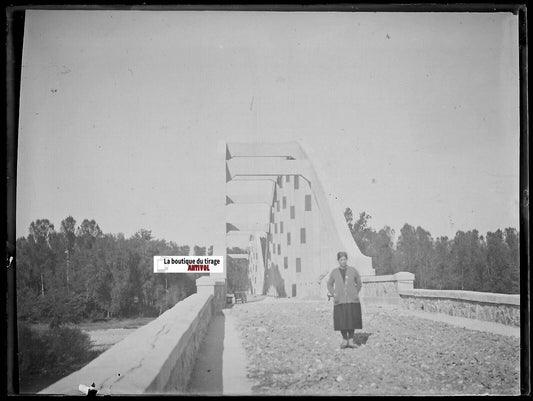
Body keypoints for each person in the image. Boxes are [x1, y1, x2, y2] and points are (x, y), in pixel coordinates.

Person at [327, 251, 363, 349]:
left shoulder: (353, 270)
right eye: (341, 259)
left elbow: (359, 283)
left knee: (352, 320)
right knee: (341, 321)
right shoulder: (334, 272)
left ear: (347, 259)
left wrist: (355, 293)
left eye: (344, 259)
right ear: (338, 260)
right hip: (340, 300)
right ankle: (344, 340)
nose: (343, 261)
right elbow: (329, 284)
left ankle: (351, 340)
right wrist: (333, 293)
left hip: (352, 300)